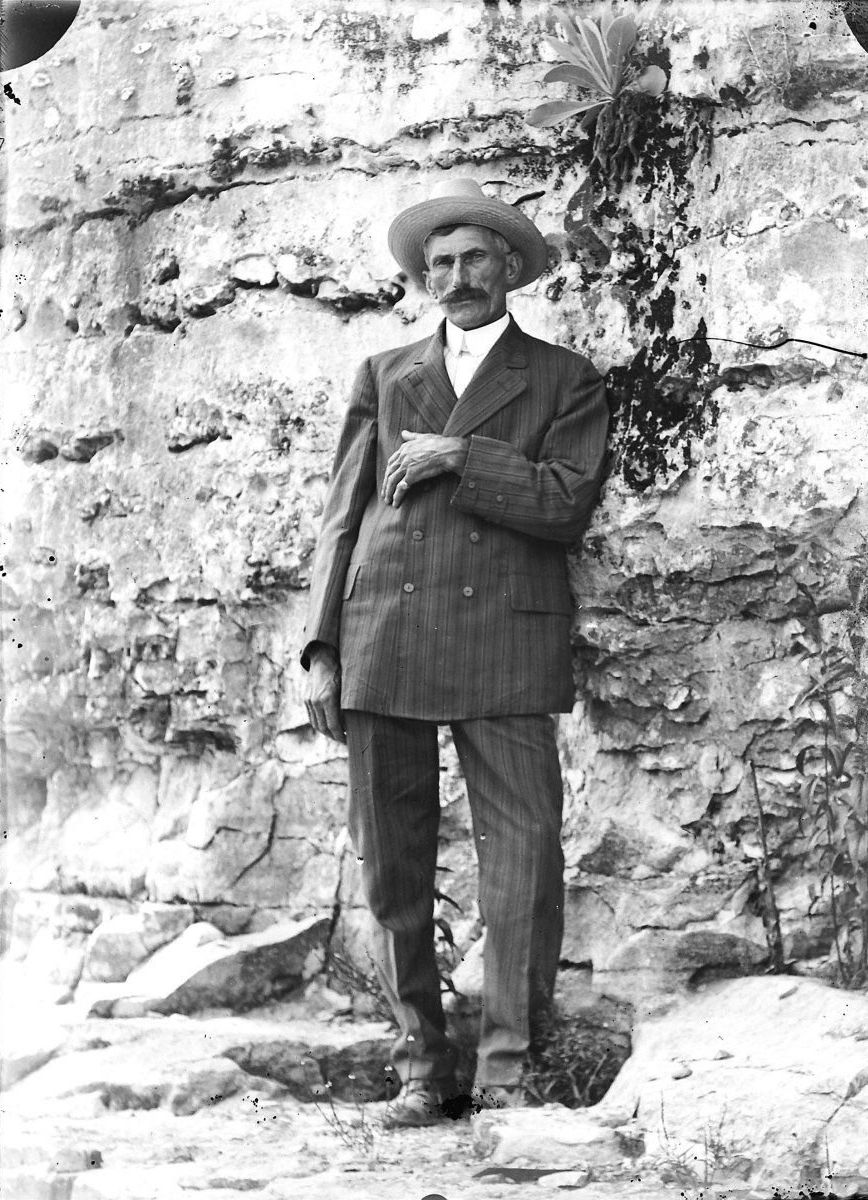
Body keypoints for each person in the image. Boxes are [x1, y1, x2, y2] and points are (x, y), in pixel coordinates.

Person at [300, 177, 609, 1127]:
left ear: (509, 268)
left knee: (523, 860)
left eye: (476, 258)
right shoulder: (385, 373)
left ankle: (509, 1076)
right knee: (392, 865)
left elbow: (564, 503)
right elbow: (342, 514)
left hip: (505, 639)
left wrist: (459, 456)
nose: (458, 276)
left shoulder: (565, 378)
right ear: (424, 278)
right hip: (384, 633)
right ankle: (422, 1072)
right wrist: (320, 647)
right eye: (441, 263)